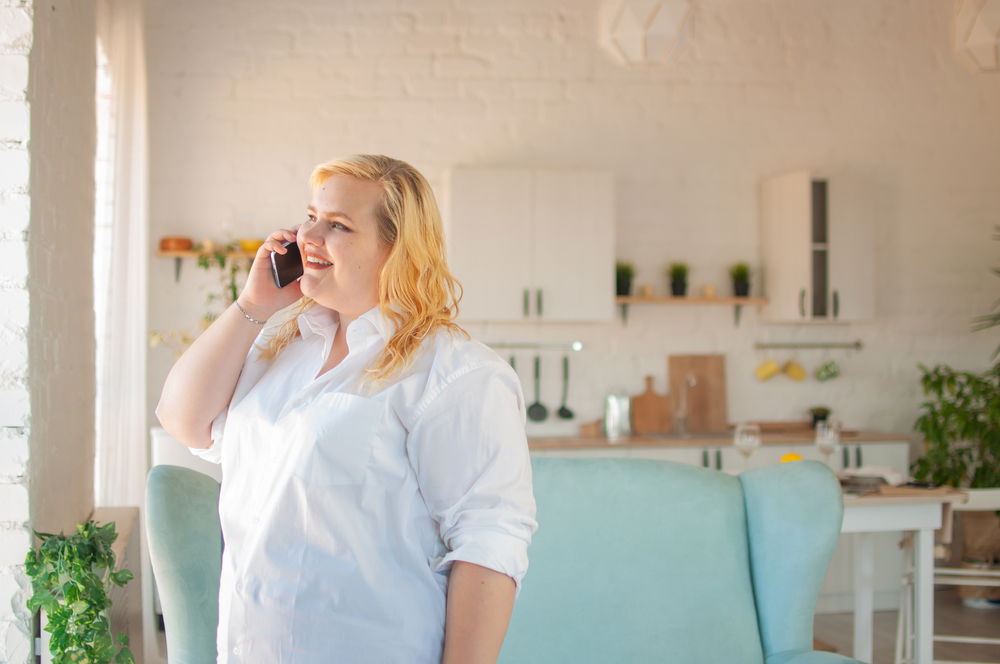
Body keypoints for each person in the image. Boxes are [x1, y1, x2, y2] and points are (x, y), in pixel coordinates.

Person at [155, 154, 539, 664]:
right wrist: (253, 302)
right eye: (310, 215)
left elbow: (489, 543)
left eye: (337, 225)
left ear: (395, 249)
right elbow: (183, 420)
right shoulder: (280, 347)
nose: (307, 235)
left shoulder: (456, 374)